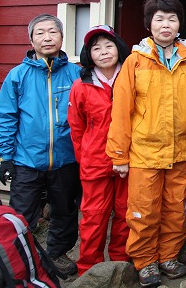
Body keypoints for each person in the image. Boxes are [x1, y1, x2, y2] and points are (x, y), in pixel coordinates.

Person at [107, 0, 186, 287]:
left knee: (177, 209)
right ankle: (145, 261)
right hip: (144, 153)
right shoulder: (135, 61)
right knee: (144, 210)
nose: (166, 24)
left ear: (180, 24)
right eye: (159, 18)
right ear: (149, 24)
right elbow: (121, 110)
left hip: (182, 153)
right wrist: (119, 155)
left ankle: (168, 256)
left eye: (172, 19)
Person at [0, 14, 81, 279]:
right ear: (31, 40)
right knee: (22, 215)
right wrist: (6, 157)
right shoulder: (17, 76)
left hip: (66, 159)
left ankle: (57, 255)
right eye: (40, 33)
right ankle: (23, 259)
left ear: (62, 37)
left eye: (53, 32)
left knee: (64, 211)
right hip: (26, 160)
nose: (47, 38)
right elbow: (5, 116)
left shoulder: (76, 74)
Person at [68, 25, 131, 276]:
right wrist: (85, 159)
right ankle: (89, 269)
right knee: (93, 217)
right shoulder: (81, 86)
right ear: (89, 54)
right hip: (95, 162)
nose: (104, 52)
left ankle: (120, 264)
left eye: (108, 45)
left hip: (129, 159)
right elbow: (76, 128)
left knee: (126, 214)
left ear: (119, 48)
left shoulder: (131, 77)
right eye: (96, 48)